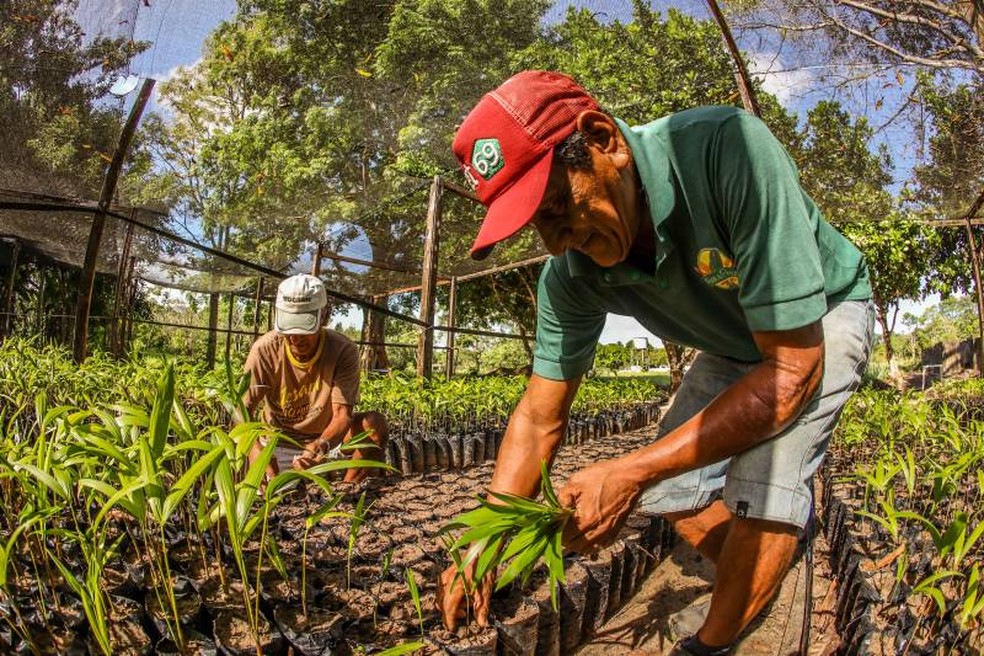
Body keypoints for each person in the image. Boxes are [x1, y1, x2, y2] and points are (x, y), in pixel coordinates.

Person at [436, 71, 873, 655]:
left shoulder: (725, 150)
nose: (557, 241)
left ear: (603, 140)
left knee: (767, 480)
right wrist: (482, 543)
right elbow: (539, 417)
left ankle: (713, 640)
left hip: (819, 317)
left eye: (558, 206)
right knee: (674, 495)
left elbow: (792, 371)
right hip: (733, 345)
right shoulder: (569, 276)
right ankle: (772, 547)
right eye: (537, 227)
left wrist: (628, 470)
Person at [242, 273, 388, 484]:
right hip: (276, 444)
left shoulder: (342, 349)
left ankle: (346, 495)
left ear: (324, 316)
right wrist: (257, 453)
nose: (295, 339)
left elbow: (342, 415)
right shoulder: (264, 350)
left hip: (326, 441)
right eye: (288, 329)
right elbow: (241, 410)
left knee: (374, 425)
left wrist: (323, 444)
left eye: (303, 329)